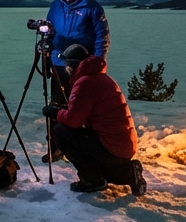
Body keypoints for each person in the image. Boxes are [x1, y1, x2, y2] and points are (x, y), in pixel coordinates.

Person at [42, 44, 146, 195]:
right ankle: (128, 172)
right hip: (122, 144)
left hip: (111, 146)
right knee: (95, 160)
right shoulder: (100, 78)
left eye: (68, 65)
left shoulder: (85, 82)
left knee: (60, 131)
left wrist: (55, 113)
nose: (66, 69)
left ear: (74, 65)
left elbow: (73, 121)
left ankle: (92, 181)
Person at [45, 0, 109, 105]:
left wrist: (98, 62)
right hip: (58, 61)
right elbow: (50, 32)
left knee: (79, 103)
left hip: (81, 64)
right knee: (57, 101)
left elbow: (102, 36)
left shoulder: (92, 7)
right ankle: (56, 125)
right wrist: (46, 57)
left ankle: (77, 125)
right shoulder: (55, 6)